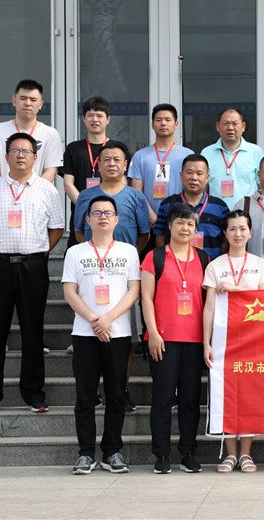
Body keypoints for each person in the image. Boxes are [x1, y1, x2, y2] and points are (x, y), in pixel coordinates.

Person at [0, 132, 65, 414]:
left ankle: (34, 394)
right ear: (6, 156)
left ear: (36, 158)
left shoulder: (47, 189)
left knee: (33, 332)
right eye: (15, 151)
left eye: (26, 151)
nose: (21, 156)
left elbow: (57, 228)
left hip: (33, 267)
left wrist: (39, 252)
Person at [62, 196, 141, 475]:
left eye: (108, 213)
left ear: (117, 219)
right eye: (97, 213)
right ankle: (85, 453)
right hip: (85, 333)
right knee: (85, 395)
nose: (103, 217)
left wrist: (107, 319)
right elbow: (69, 291)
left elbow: (133, 291)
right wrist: (95, 320)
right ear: (88, 219)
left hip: (118, 333)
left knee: (116, 394)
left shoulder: (129, 251)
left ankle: (112, 451)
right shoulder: (76, 252)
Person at [75, 140, 151, 411]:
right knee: (91, 335)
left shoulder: (135, 196)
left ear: (125, 165)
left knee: (125, 338)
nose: (111, 164)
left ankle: (120, 389)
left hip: (123, 275)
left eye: (117, 159)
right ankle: (93, 391)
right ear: (98, 165)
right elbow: (79, 232)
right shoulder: (86, 196)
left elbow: (144, 234)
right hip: (91, 274)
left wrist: (124, 257)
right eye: (106, 159)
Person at [140, 204, 210, 475]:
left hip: (194, 340)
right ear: (170, 226)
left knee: (190, 400)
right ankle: (161, 455)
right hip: (163, 339)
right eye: (180, 222)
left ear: (196, 230)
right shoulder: (155, 257)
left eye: (190, 224)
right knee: (162, 398)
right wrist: (153, 333)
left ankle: (188, 453)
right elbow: (146, 298)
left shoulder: (202, 258)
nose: (185, 228)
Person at [203, 209, 264, 473]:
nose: (238, 234)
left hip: (254, 340)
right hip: (223, 342)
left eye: (243, 228)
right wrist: (206, 343)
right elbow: (209, 307)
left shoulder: (260, 264)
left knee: (250, 396)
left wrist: (235, 289)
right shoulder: (215, 266)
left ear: (251, 232)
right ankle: (230, 454)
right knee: (226, 395)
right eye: (232, 229)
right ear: (225, 233)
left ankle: (246, 454)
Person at [0, 79, 64, 183]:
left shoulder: (51, 134)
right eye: (23, 98)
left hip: (38, 193)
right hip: (2, 192)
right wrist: (2, 190)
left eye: (33, 100)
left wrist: (34, 191)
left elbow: (51, 171)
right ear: (14, 100)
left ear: (41, 104)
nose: (28, 103)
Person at [128, 104, 194, 234]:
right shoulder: (140, 156)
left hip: (180, 222)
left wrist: (179, 217)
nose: (163, 123)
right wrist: (152, 216)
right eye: (159, 120)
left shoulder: (188, 155)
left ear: (176, 124)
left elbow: (192, 189)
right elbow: (137, 191)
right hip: (148, 222)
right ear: (152, 124)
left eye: (168, 120)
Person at [154, 154, 229, 260]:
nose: (194, 177)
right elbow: (160, 238)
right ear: (181, 175)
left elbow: (226, 239)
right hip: (175, 265)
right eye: (189, 172)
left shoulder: (220, 207)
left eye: (199, 173)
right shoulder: (168, 204)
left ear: (207, 177)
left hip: (211, 266)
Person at [61, 96, 112, 249]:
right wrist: (86, 206)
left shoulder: (115, 148)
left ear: (108, 119)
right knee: (78, 252)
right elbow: (68, 183)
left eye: (99, 115)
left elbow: (122, 181)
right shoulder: (73, 148)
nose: (94, 119)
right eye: (90, 115)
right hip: (80, 213)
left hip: (108, 214)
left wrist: (105, 208)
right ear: (83, 119)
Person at [202, 107, 264, 210]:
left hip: (247, 213)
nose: (230, 128)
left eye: (235, 123)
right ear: (218, 126)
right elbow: (203, 188)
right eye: (225, 123)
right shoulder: (207, 153)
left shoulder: (256, 152)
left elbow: (262, 187)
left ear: (243, 126)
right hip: (215, 212)